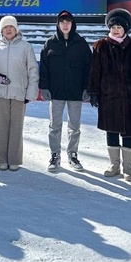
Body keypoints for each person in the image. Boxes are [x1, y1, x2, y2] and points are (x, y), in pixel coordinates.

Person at [88, 9, 131, 181]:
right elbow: (95, 71)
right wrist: (94, 92)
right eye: (113, 26)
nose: (116, 30)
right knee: (111, 130)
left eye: (119, 27)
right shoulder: (100, 46)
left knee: (129, 132)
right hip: (109, 97)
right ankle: (114, 165)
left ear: (126, 29)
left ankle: (127, 168)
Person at [0, 15, 38, 171]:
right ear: (1, 30)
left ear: (16, 29)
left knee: (16, 127)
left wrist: (31, 92)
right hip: (0, 93)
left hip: (19, 93)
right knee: (2, 126)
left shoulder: (26, 47)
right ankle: (2, 159)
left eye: (11, 27)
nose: (8, 29)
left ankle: (14, 160)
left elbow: (33, 70)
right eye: (5, 27)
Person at [39, 10, 92, 172]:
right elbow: (44, 69)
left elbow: (89, 68)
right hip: (56, 93)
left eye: (68, 21)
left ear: (72, 24)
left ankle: (72, 154)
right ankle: (55, 155)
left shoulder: (81, 44)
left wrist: (87, 88)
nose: (65, 24)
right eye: (62, 22)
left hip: (75, 92)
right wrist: (44, 87)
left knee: (74, 126)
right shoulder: (50, 43)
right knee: (54, 125)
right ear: (58, 24)